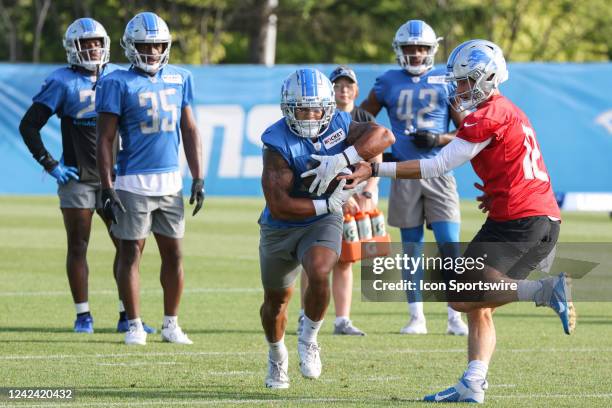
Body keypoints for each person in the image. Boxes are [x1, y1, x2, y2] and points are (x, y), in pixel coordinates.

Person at [343, 39, 575, 403]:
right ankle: (473, 383)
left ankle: (544, 291)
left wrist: (374, 168)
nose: (458, 88)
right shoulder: (507, 110)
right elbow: (522, 161)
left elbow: (436, 164)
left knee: (458, 295)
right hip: (540, 219)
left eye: (466, 81)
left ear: (488, 78)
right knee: (478, 304)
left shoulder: (488, 115)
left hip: (518, 220)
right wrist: (498, 189)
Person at [18, 17, 154, 335]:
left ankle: (126, 314)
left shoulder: (120, 78)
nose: (92, 48)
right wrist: (50, 164)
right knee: (78, 245)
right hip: (76, 176)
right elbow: (29, 125)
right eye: (85, 43)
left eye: (97, 42)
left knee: (127, 246)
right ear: (73, 48)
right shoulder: (62, 81)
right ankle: (83, 315)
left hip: (116, 178)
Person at [259, 68, 394, 388]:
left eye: (316, 107)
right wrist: (328, 203)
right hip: (281, 226)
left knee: (320, 270)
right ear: (288, 107)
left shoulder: (341, 124)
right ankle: (277, 356)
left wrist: (344, 157)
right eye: (302, 108)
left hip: (321, 222)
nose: (310, 115)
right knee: (276, 302)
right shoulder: (276, 142)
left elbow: (385, 136)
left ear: (328, 107)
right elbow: (280, 205)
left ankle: (309, 337)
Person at [96, 12, 204, 346]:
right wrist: (107, 185)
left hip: (170, 183)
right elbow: (105, 138)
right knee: (131, 254)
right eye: (145, 45)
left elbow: (189, 128)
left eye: (158, 44)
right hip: (132, 182)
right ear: (131, 47)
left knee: (174, 255)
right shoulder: (116, 81)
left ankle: (171, 324)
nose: (153, 51)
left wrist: (198, 176)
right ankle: (134, 325)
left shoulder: (180, 77)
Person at [360, 20, 468, 335]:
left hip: (439, 170)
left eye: (421, 47)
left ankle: (455, 316)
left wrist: (438, 140)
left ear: (432, 49)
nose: (416, 53)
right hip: (404, 171)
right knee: (411, 248)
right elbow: (362, 120)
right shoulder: (387, 81)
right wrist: (382, 145)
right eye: (410, 48)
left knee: (449, 245)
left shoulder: (446, 80)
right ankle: (416, 316)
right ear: (400, 50)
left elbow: (466, 131)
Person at [297, 65, 377, 336]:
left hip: (356, 196)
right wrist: (339, 195)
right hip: (327, 195)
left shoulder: (363, 116)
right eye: (337, 85)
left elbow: (378, 153)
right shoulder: (320, 117)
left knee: (346, 259)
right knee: (312, 258)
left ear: (355, 89)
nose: (343, 90)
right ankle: (303, 314)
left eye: (347, 85)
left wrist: (367, 191)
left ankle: (342, 319)